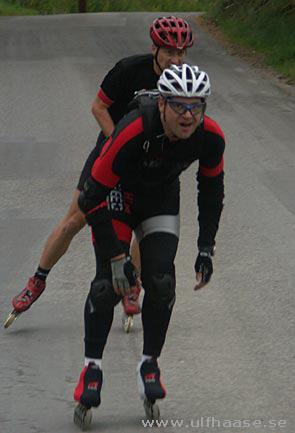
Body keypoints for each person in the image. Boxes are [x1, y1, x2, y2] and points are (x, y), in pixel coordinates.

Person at [7, 16, 194, 322]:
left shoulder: (185, 81)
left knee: (145, 225)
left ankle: (132, 286)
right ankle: (37, 280)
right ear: (154, 49)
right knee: (76, 218)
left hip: (153, 161)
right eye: (170, 52)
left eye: (181, 53)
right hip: (112, 150)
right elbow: (98, 106)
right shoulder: (128, 70)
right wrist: (118, 144)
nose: (176, 59)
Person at [73, 64, 225, 425]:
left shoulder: (211, 137)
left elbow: (212, 191)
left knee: (160, 282)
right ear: (162, 105)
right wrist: (116, 255)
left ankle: (150, 365)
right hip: (115, 196)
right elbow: (90, 198)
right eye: (179, 106)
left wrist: (206, 246)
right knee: (110, 283)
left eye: (196, 106)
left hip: (160, 199)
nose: (188, 115)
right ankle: (91, 369)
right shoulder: (134, 130)